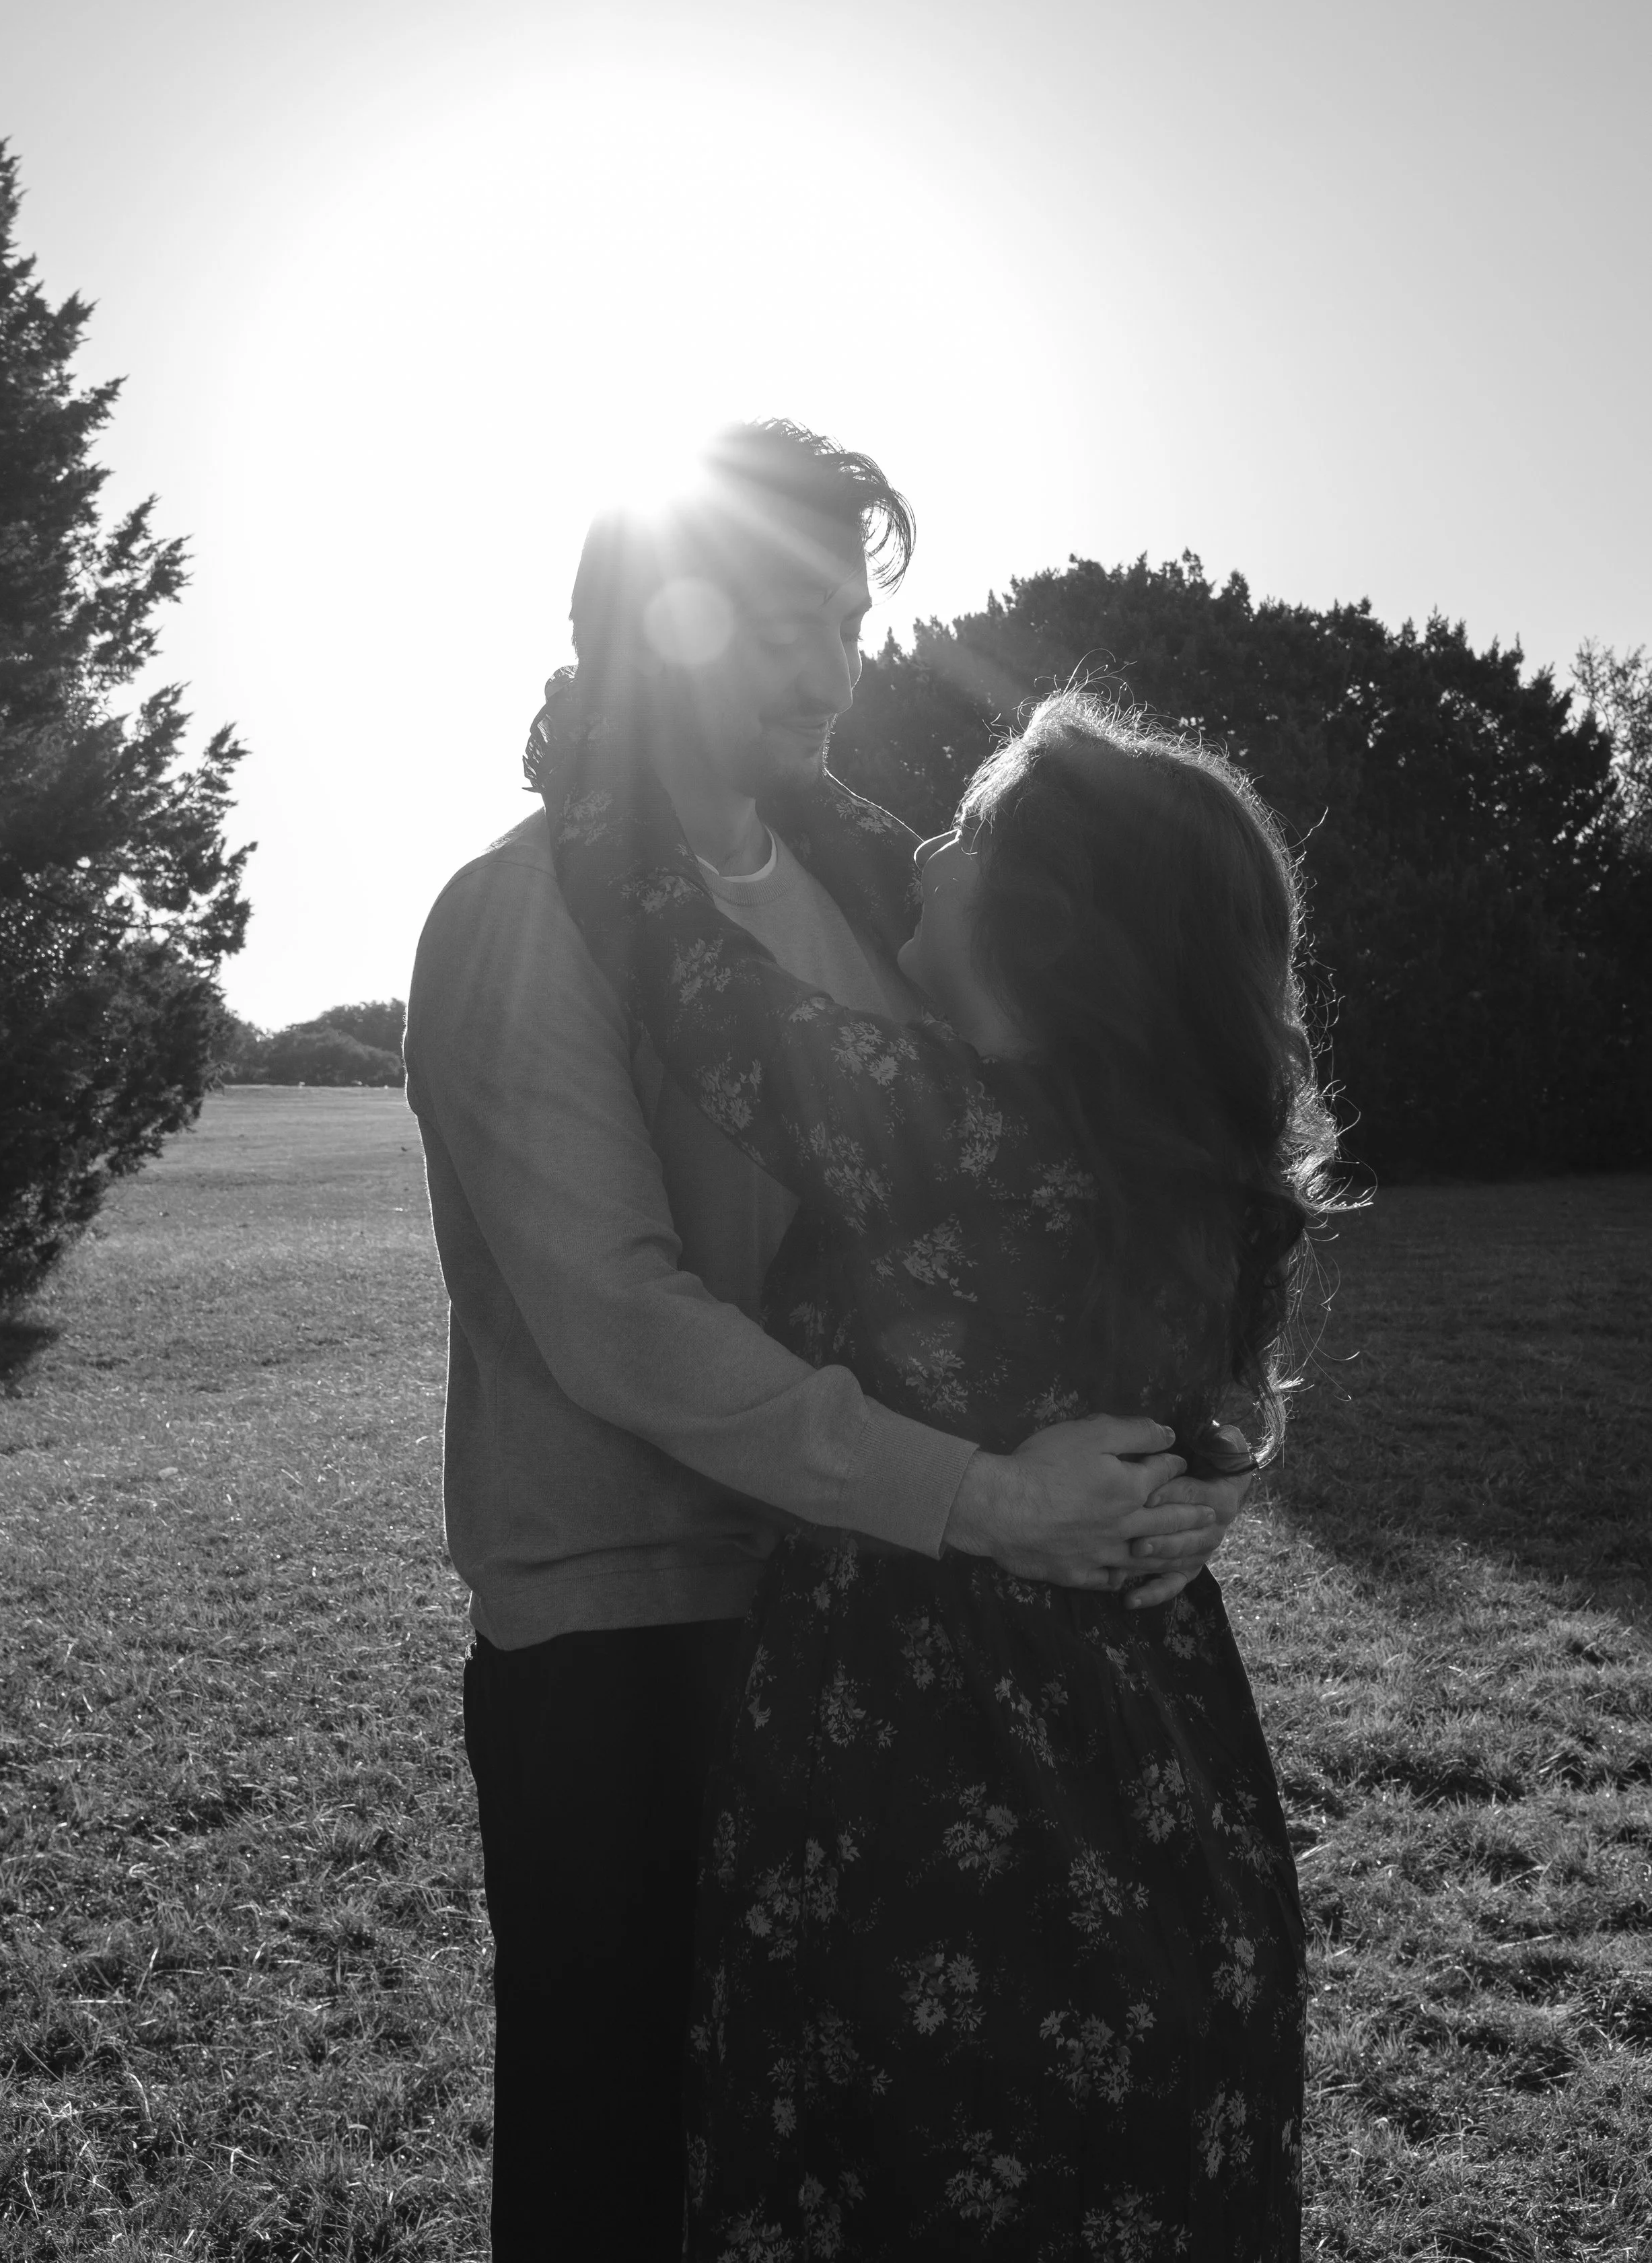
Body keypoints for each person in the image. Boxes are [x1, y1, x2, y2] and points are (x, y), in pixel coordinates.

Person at [404, 422, 1255, 2259]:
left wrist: (1187, 1466)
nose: (830, 668)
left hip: (870, 1636)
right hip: (627, 1639)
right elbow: (621, 1321)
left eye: (850, 623)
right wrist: (986, 1500)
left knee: (850, 2165)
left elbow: (1092, 1189)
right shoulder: (517, 915)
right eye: (779, 617)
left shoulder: (876, 899)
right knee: (618, 2164)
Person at [539, 658, 1339, 2258]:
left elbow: (690, 968)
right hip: (1164, 1802)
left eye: (963, 831)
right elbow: (901, 858)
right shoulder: (1180, 1164)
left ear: (1045, 930)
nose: (916, 844)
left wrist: (608, 760)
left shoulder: (940, 1129)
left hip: (942, 1790)